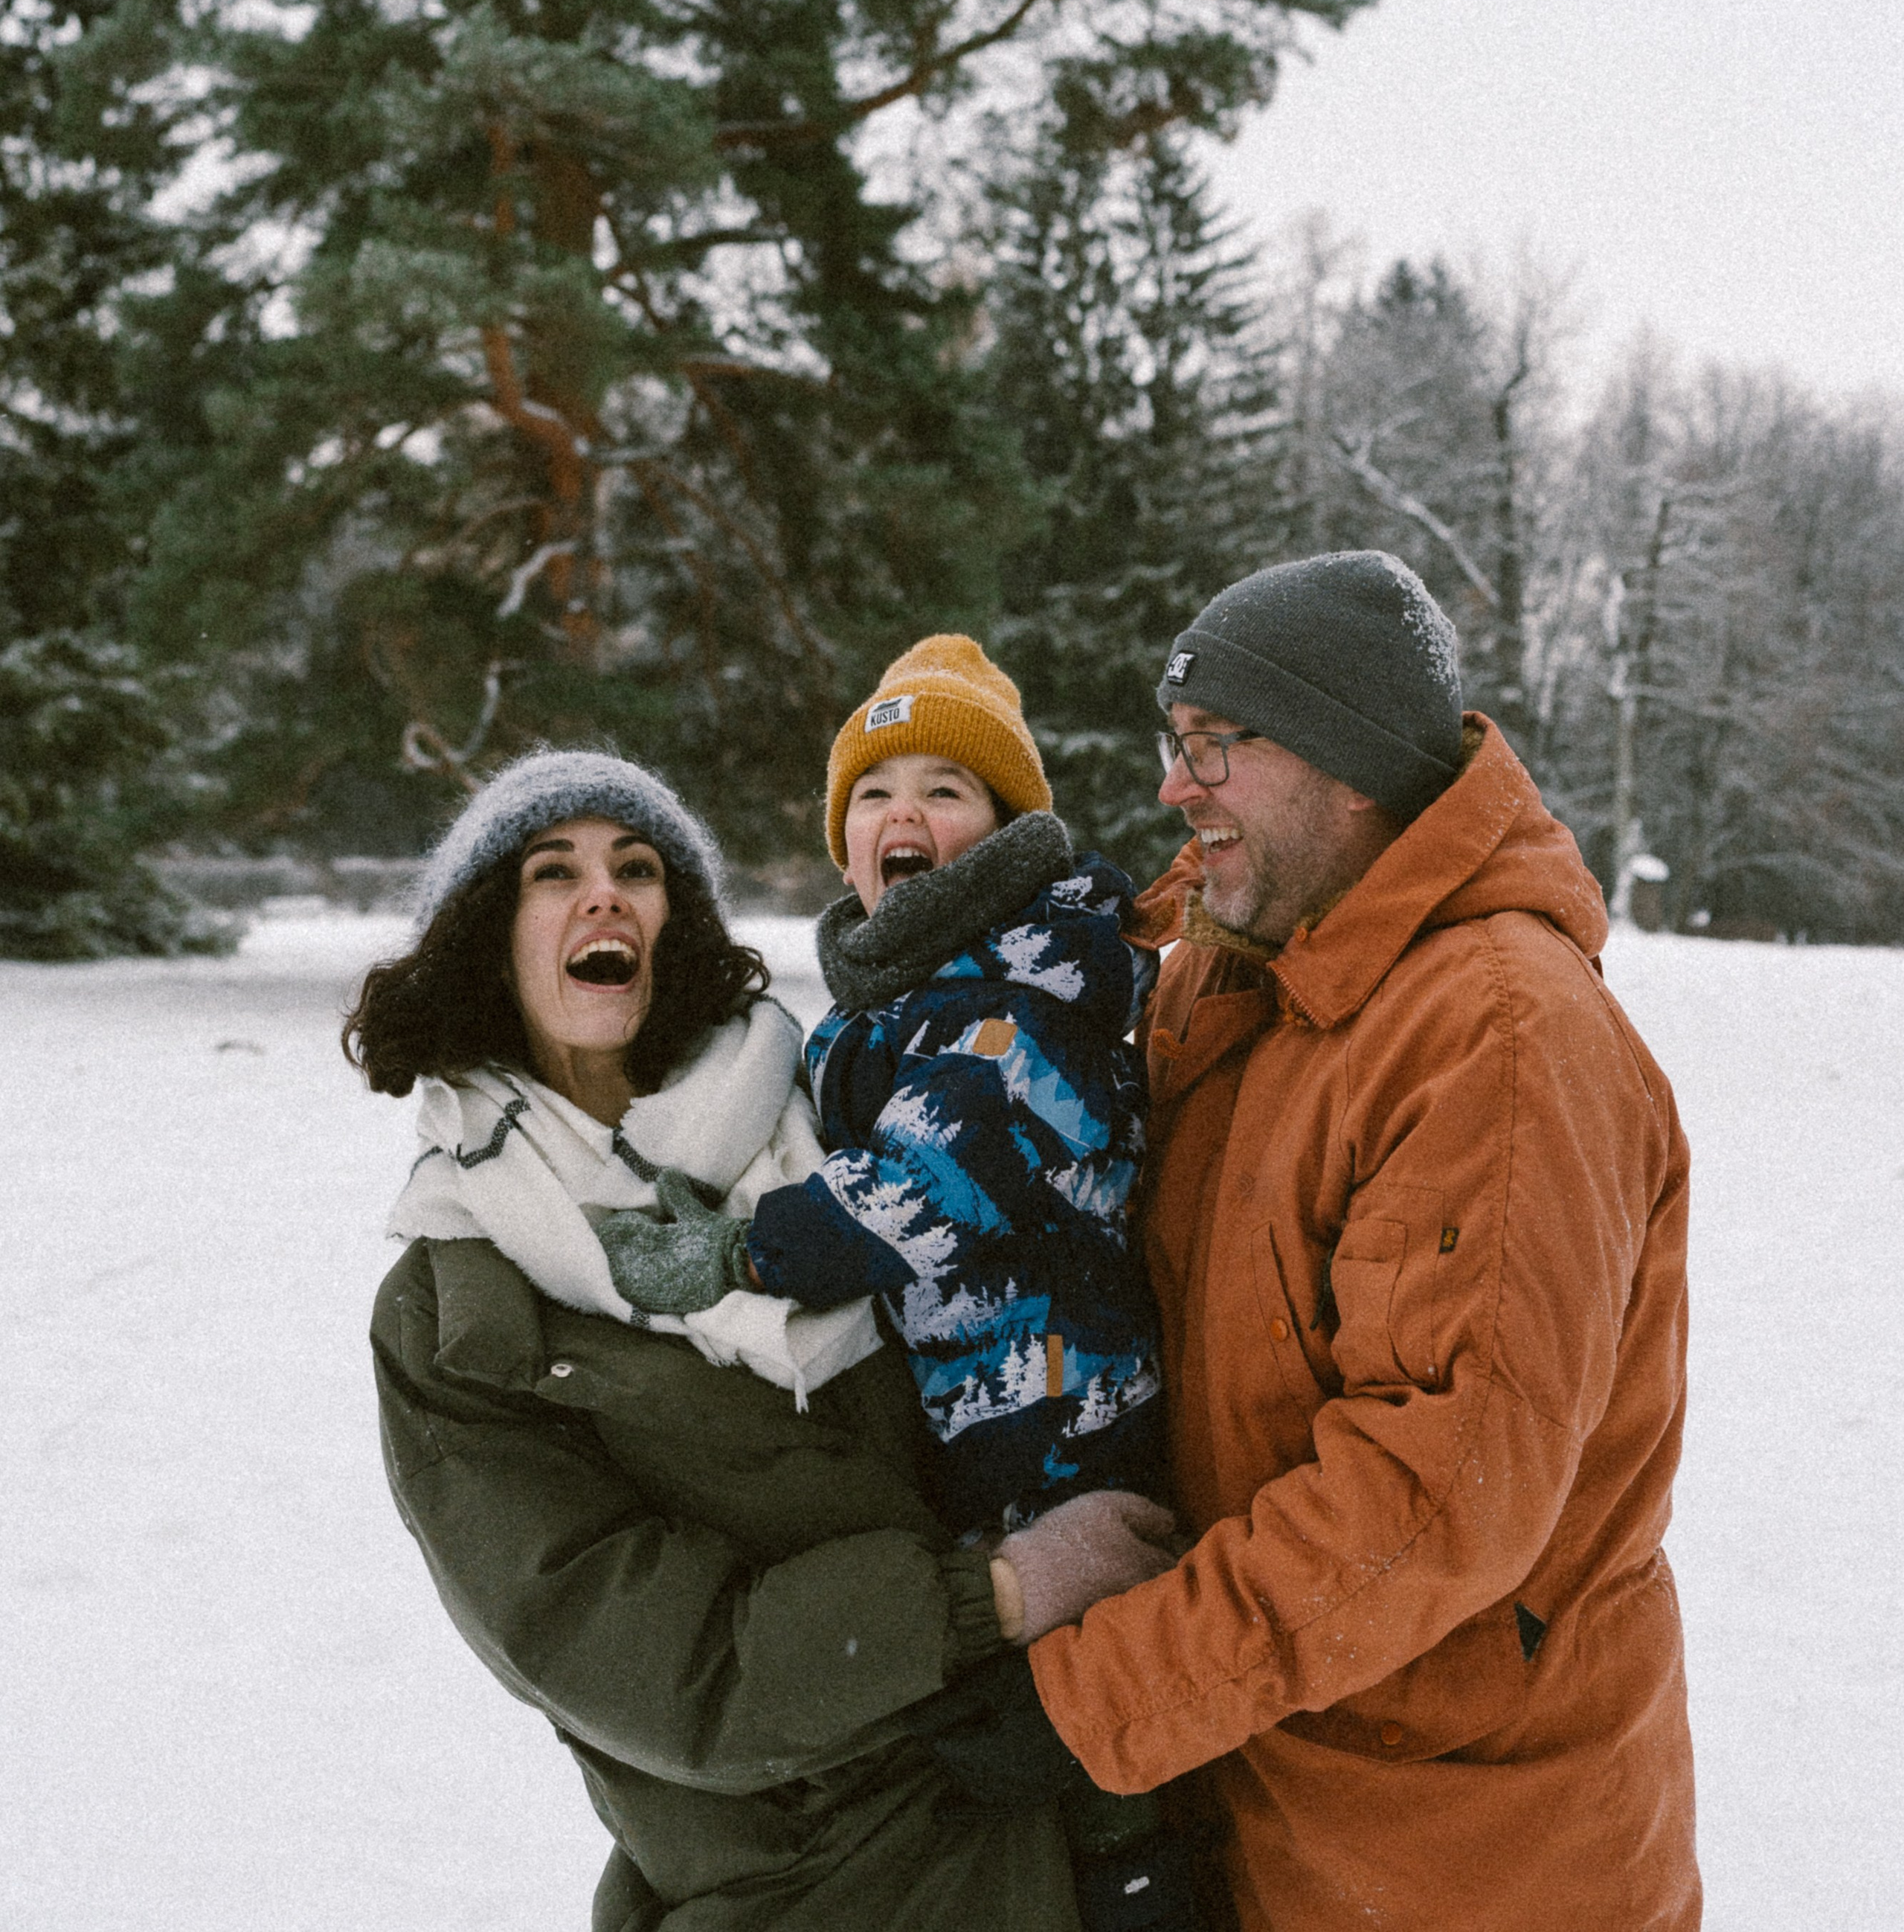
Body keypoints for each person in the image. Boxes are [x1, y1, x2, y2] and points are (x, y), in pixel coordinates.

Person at [971, 553, 1700, 1932]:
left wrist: (1101, 1699)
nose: (1177, 790)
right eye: (1171, 748)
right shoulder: (1254, 978)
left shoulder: (1495, 1036)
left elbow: (1435, 1495)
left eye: (1217, 750)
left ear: (1352, 766)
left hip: (1470, 1858)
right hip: (1278, 1805)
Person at [347, 746, 1172, 1932]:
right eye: (551, 872)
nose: (605, 895)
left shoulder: (830, 1128)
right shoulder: (454, 1316)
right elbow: (667, 1675)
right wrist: (994, 1594)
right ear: (487, 936)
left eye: (638, 867)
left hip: (1052, 1815)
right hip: (808, 1885)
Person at [596, 639, 1205, 1932]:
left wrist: (742, 1249)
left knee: (1103, 1769)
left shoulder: (1036, 987)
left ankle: (1145, 1883)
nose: (902, 816)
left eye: (945, 788)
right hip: (969, 1458)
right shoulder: (889, 1004)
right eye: (873, 795)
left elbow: (940, 1166)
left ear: (1001, 830)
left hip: (1067, 1437)